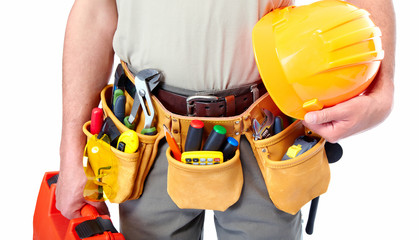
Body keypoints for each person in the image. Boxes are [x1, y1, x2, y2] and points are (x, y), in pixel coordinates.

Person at [56, 0, 395, 239]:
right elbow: (94, 12)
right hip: (147, 134)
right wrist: (71, 153)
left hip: (262, 132)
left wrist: (382, 91)